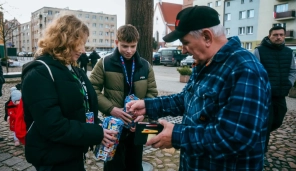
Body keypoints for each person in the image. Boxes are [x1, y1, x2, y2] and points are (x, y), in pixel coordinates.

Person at [126, 6, 271, 170]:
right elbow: (185, 99)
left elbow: (235, 138)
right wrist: (148, 105)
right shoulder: (206, 62)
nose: (184, 50)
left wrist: (177, 135)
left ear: (207, 37)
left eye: (186, 43)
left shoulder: (245, 70)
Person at [21, 14, 117, 171]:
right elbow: (53, 125)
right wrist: (96, 133)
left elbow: (79, 109)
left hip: (73, 153)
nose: (83, 50)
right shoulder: (39, 73)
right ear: (65, 40)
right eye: (80, 43)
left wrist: (101, 127)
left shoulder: (73, 69)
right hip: (53, 159)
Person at [89, 24, 158, 171]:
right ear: (116, 43)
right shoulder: (104, 63)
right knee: (113, 166)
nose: (129, 51)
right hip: (113, 127)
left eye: (133, 46)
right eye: (125, 46)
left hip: (137, 126)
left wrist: (143, 113)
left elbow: (152, 93)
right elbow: (92, 90)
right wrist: (111, 109)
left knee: (135, 165)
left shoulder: (145, 66)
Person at [253, 26, 296, 166]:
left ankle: (255, 135)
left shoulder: (289, 52)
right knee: (266, 123)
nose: (279, 37)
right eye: (275, 35)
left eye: (281, 35)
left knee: (277, 120)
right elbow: (254, 71)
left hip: (280, 94)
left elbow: (292, 70)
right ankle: (261, 153)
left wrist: (288, 84)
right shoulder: (259, 51)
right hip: (264, 96)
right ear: (269, 36)